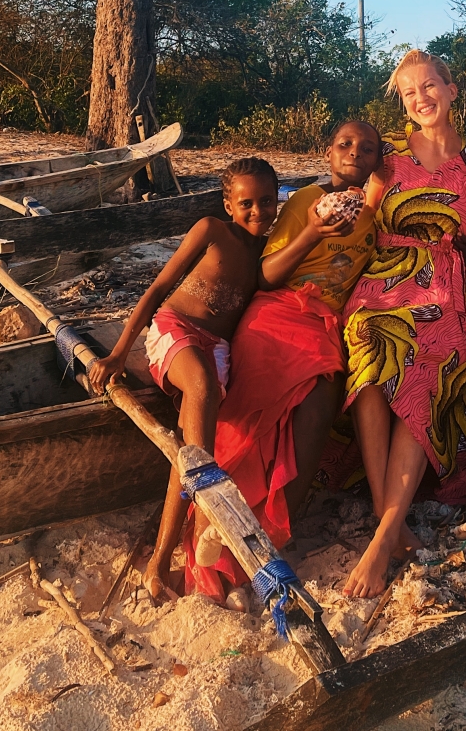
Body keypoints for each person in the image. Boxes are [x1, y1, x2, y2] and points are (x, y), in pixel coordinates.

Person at [337, 50, 466, 600]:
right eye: (408, 92)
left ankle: (383, 538)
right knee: (369, 344)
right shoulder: (388, 155)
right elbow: (364, 218)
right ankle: (386, 515)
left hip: (445, 283)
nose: (420, 98)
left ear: (451, 88)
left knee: (432, 360)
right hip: (384, 276)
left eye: (429, 86)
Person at [179, 120, 383, 601]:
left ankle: (268, 536)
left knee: (319, 407)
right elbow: (266, 276)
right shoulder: (302, 203)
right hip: (277, 312)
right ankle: (218, 525)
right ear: (328, 152)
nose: (356, 153)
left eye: (368, 149)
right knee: (248, 420)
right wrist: (313, 231)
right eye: (345, 145)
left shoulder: (374, 220)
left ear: (378, 162)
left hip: (324, 326)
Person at [95, 156, 280, 601]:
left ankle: (159, 564)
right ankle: (206, 505)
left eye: (268, 201)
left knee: (187, 444)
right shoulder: (211, 230)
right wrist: (120, 352)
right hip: (175, 329)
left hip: (215, 347)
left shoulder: (268, 253)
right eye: (247, 203)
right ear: (228, 204)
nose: (258, 211)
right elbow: (159, 289)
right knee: (199, 390)